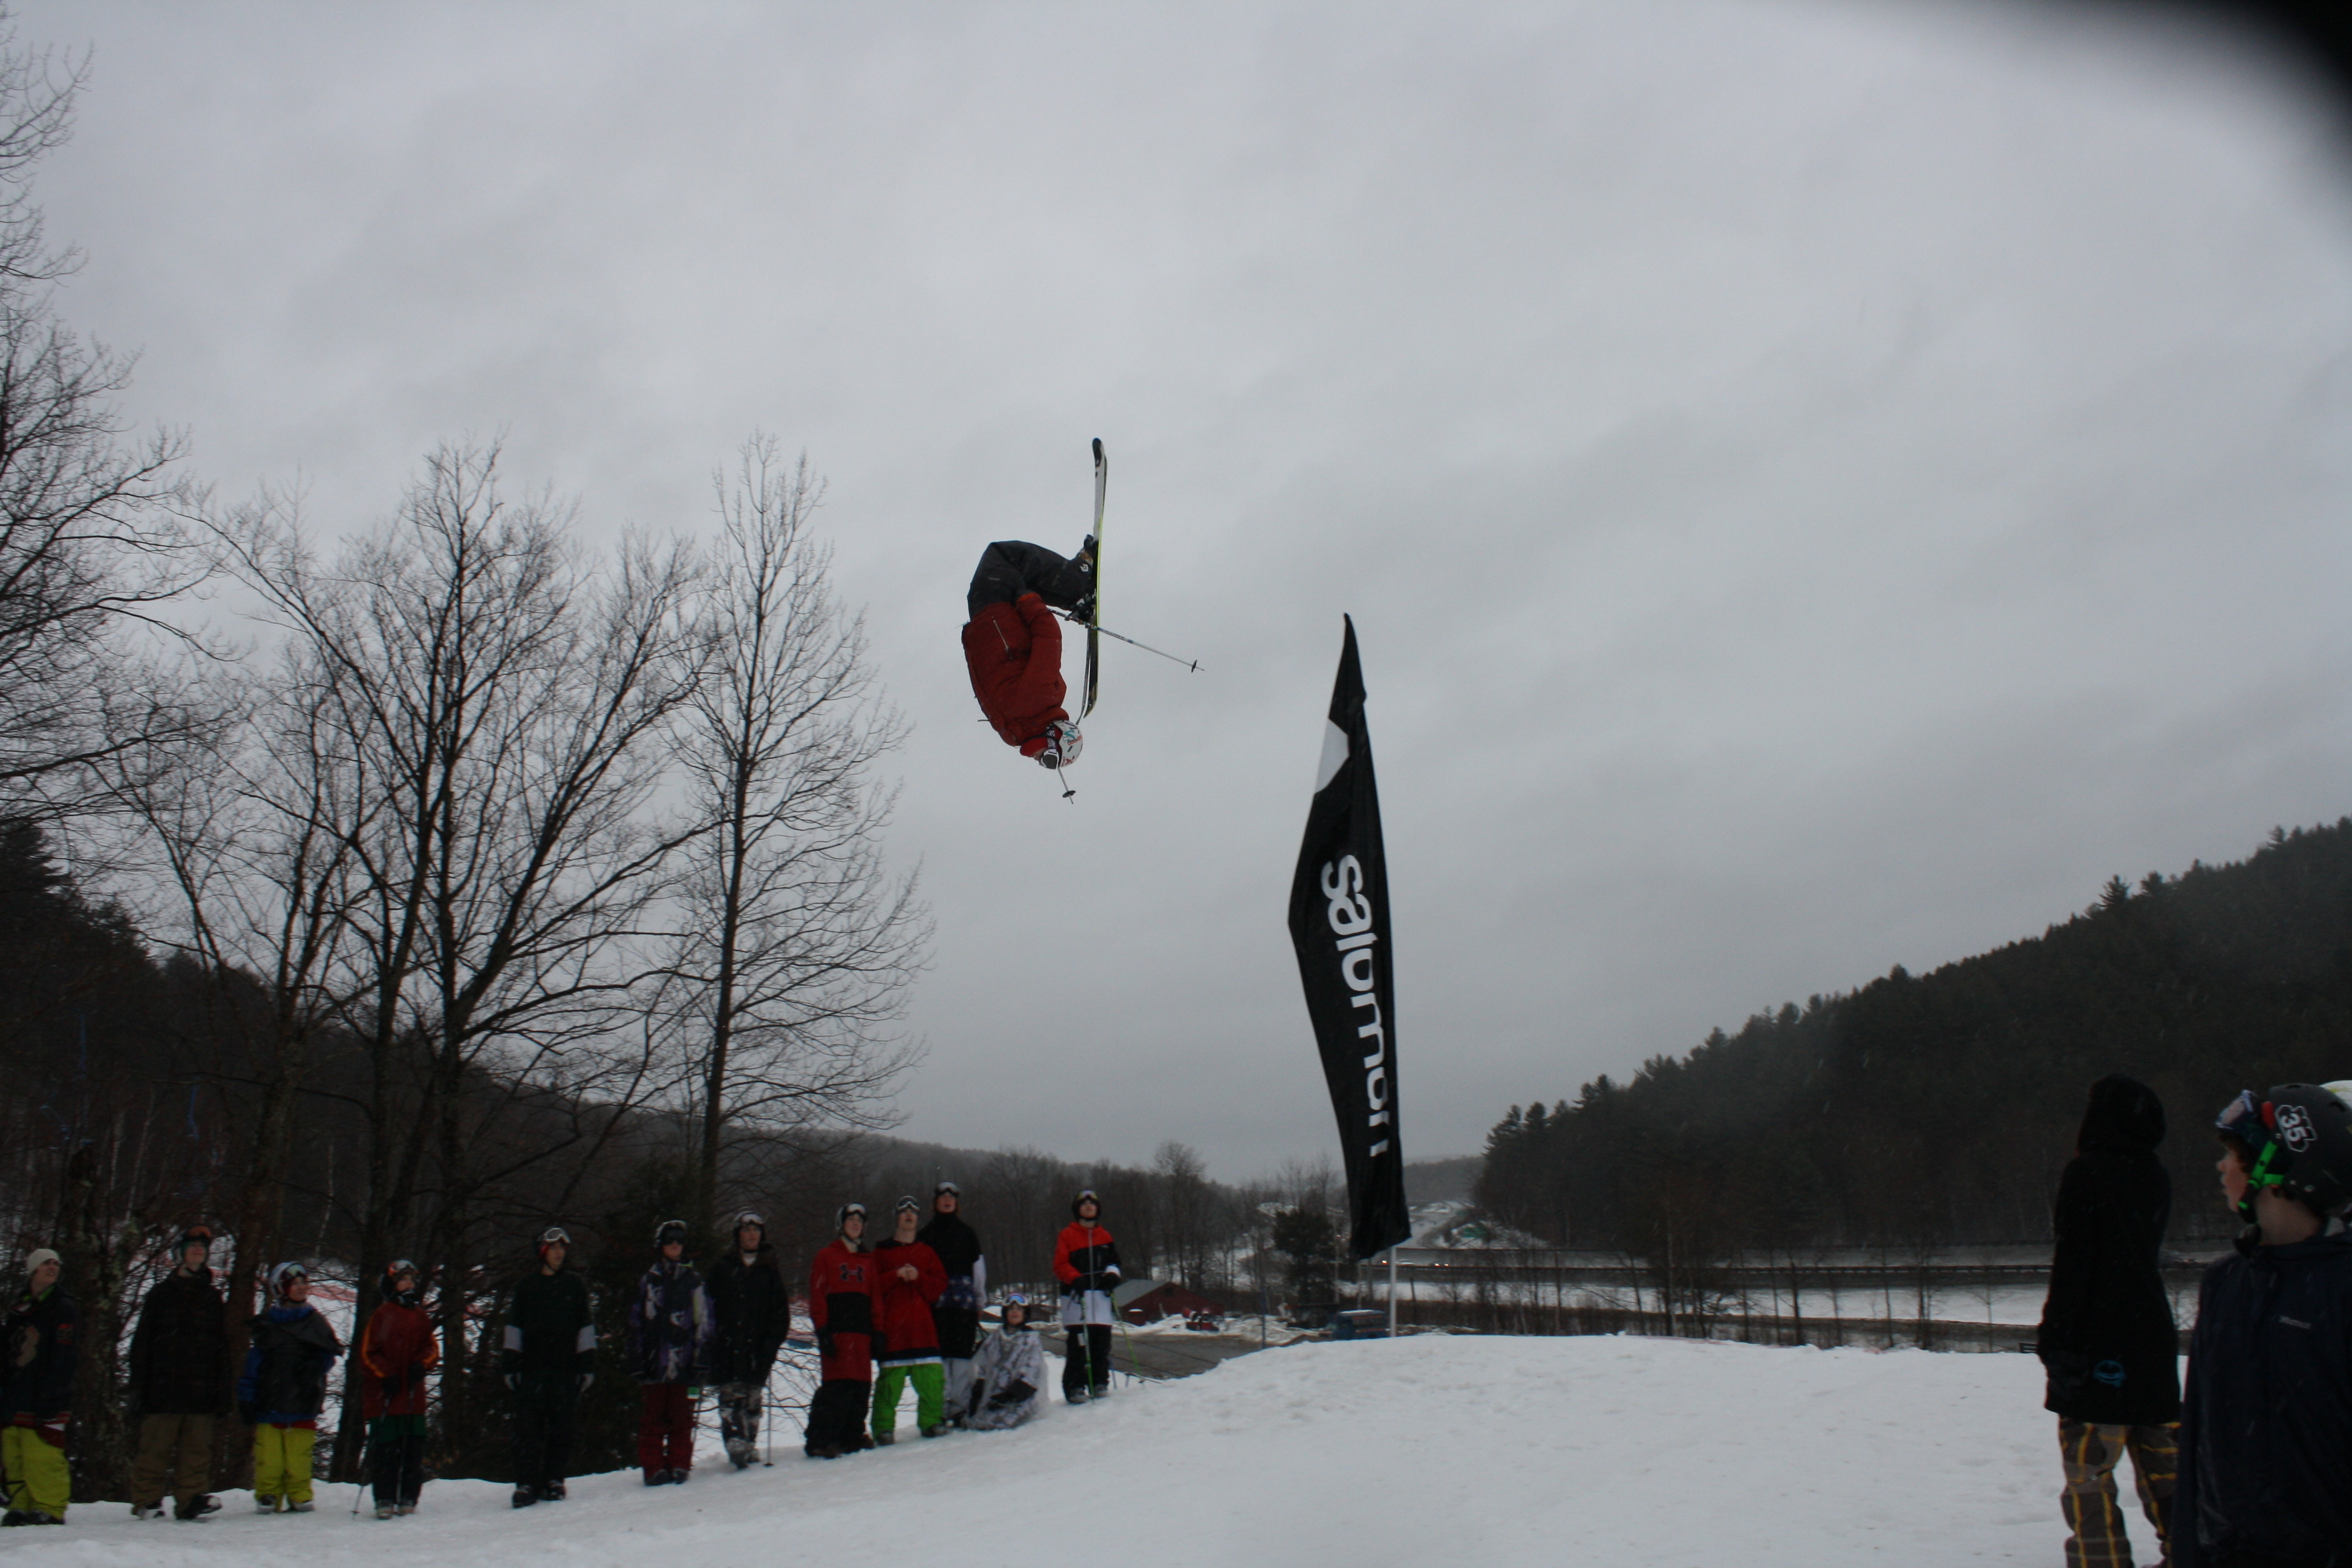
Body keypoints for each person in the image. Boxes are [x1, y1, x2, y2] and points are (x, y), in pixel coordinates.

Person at [2174, 1084, 2352, 1568]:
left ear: (2279, 1169)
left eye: (2234, 1154)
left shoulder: (2340, 1289)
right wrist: (2185, 1549)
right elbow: (2198, 1438)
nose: (2222, 1167)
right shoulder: (2225, 1282)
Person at [2034, 1074, 2181, 1568]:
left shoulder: (2088, 1174)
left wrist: (2056, 1341)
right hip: (2153, 1340)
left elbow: (2075, 1263)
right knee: (2166, 1465)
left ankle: (2102, 1560)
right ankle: (2193, 1551)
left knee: (2089, 1472)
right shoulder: (2155, 1175)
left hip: (2097, 1341)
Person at [960, 535, 1094, 769]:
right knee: (1004, 556)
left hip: (988, 619)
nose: (1040, 761)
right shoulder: (1040, 699)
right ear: (1056, 738)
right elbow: (1049, 639)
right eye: (1050, 758)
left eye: (1047, 764)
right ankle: (1078, 583)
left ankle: (1077, 594)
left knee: (1012, 565)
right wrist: (1027, 600)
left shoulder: (1015, 730)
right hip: (995, 609)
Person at [126, 1226, 227, 1522]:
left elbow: (222, 1348)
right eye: (192, 1245)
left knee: (197, 1452)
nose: (198, 1249)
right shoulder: (161, 1294)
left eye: (202, 1246)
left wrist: (222, 1391)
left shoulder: (212, 1297)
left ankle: (191, 1499)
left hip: (201, 1390)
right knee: (154, 1449)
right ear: (180, 1253)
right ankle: (147, 1500)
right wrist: (138, 1386)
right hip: (162, 1388)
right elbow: (142, 1343)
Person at [501, 1226, 595, 1508]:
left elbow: (586, 1330)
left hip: (565, 1371)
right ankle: (527, 1483)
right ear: (542, 1252)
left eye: (562, 1249)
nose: (559, 1254)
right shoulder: (527, 1287)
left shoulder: (574, 1286)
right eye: (554, 1249)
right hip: (532, 1371)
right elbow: (514, 1329)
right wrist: (510, 1365)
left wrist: (586, 1366)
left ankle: (555, 1480)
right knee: (528, 1430)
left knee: (562, 1429)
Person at [237, 1261, 342, 1515]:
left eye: (303, 1283)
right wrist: (247, 1397)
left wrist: (315, 1366)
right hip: (270, 1400)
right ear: (281, 1289)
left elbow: (329, 1352)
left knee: (300, 1455)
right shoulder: (267, 1326)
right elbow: (253, 1365)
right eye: (294, 1284)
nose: (301, 1288)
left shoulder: (315, 1322)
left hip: (303, 1399)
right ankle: (268, 1493)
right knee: (269, 1456)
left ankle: (299, 1492)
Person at [627, 1220, 713, 1486]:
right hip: (654, 1363)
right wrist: (637, 1358)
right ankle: (653, 1467)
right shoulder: (649, 1280)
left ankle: (679, 1464)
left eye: (679, 1242)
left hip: (685, 1364)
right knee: (653, 1419)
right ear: (661, 1246)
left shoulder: (694, 1282)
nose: (675, 1246)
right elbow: (635, 1322)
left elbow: (705, 1321)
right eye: (669, 1241)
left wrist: (701, 1358)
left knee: (682, 1419)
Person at [705, 1210, 789, 1469]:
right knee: (731, 1399)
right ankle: (735, 1442)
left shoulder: (769, 1270)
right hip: (727, 1346)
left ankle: (749, 1443)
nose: (751, 1235)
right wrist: (712, 1340)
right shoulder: (722, 1268)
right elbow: (707, 1309)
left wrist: (770, 1345)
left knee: (753, 1399)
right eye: (746, 1230)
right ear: (738, 1235)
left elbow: (780, 1314)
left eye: (756, 1231)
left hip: (758, 1348)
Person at [358, 1259, 439, 1519]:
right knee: (386, 1451)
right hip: (386, 1398)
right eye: (403, 1280)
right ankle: (384, 1496)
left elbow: (432, 1349)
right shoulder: (382, 1315)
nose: (408, 1284)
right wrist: (385, 1374)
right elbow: (368, 1353)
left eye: (411, 1280)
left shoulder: (420, 1316)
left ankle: (408, 1495)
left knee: (412, 1450)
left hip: (413, 1398)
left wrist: (421, 1365)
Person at [1, 1249, 73, 1526]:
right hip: (16, 1389)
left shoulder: (63, 1306)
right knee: (14, 1452)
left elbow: (64, 1354)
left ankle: (49, 1506)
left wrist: (54, 1390)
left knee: (43, 1453)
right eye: (46, 1263)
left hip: (47, 1392)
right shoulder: (19, 1307)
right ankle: (20, 1502)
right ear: (33, 1269)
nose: (52, 1268)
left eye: (56, 1263)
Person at [871, 1197, 949, 1443]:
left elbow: (938, 1288)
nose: (908, 1215)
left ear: (917, 1218)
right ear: (897, 1217)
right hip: (894, 1330)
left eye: (913, 1212)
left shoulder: (927, 1252)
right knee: (888, 1386)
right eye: (903, 1211)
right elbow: (872, 1287)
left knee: (931, 1382)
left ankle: (931, 1421)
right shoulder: (881, 1252)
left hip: (923, 1330)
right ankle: (883, 1429)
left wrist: (919, 1277)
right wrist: (895, 1275)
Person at [805, 1203, 881, 1459]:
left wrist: (878, 1331)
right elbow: (818, 1296)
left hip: (862, 1334)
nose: (856, 1224)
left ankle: (852, 1436)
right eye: (851, 1219)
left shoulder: (869, 1260)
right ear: (841, 1224)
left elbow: (876, 1299)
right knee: (837, 1389)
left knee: (860, 1387)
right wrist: (823, 1331)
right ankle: (822, 1440)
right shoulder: (826, 1256)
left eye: (860, 1220)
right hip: (838, 1333)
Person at [916, 1181, 987, 1426]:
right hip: (936, 1307)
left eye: (952, 1197)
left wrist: (980, 1300)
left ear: (957, 1203)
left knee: (962, 1359)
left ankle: (960, 1407)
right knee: (939, 1359)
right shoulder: (925, 1235)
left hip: (964, 1306)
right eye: (942, 1197)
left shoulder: (968, 1233)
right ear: (935, 1202)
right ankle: (939, 1406)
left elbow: (978, 1270)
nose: (947, 1201)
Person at [1053, 1188, 1122, 1402]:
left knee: (1101, 1343)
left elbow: (1115, 1261)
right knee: (1079, 1345)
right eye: (1084, 1204)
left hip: (1100, 1298)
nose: (1089, 1206)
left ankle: (1099, 1381)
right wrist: (1075, 1278)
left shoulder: (1105, 1236)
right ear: (1078, 1209)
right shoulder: (1068, 1235)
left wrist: (1112, 1275)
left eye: (1092, 1203)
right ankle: (1074, 1386)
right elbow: (1060, 1264)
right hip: (1077, 1298)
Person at [964, 1295, 1046, 1432]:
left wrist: (1011, 1396)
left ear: (1025, 1314)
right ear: (1005, 1313)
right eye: (1011, 1309)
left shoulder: (1031, 1340)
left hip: (1019, 1398)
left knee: (1003, 1423)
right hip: (993, 1398)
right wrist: (979, 1389)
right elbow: (983, 1367)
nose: (1015, 1312)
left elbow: (1032, 1373)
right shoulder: (994, 1339)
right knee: (979, 1422)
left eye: (1019, 1309)